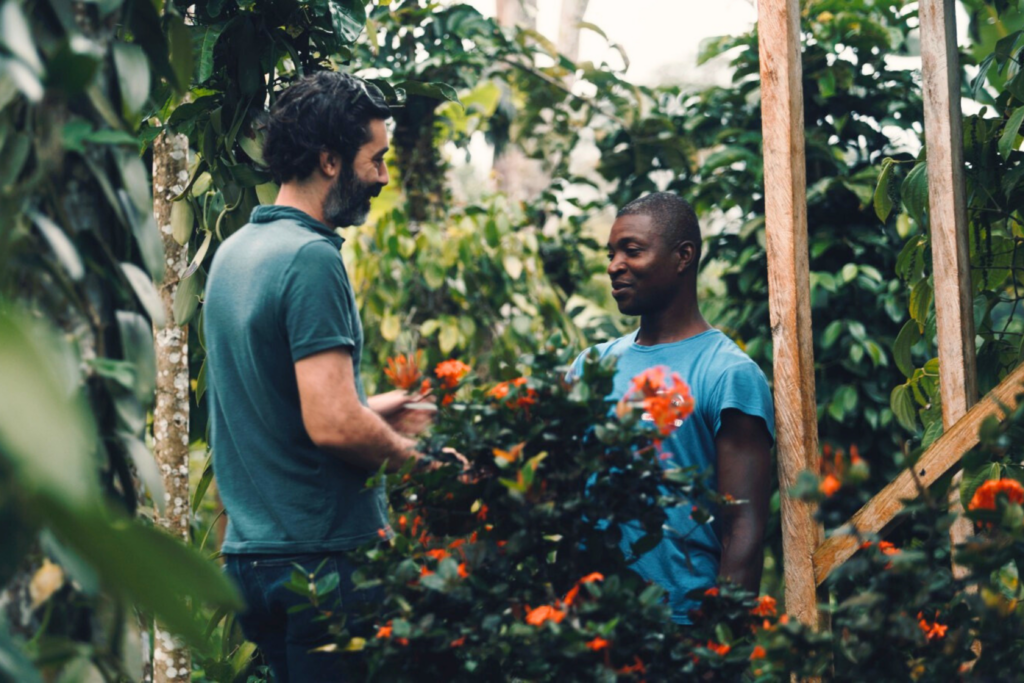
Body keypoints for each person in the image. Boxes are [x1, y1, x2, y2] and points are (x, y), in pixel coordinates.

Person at [204, 71, 435, 682]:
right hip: (323, 564)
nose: (384, 175)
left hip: (255, 562)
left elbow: (268, 403)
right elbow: (332, 423)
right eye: (376, 159)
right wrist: (424, 463)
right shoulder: (310, 259)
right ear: (330, 161)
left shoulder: (235, 254)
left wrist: (375, 407)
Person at [568, 192, 774, 624]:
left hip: (681, 632)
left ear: (683, 257)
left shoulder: (728, 373)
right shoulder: (591, 367)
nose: (613, 265)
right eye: (611, 253)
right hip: (588, 628)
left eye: (632, 250)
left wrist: (717, 647)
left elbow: (744, 530)